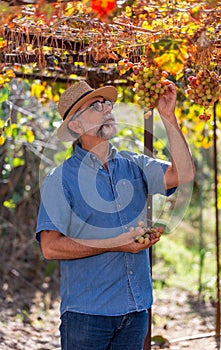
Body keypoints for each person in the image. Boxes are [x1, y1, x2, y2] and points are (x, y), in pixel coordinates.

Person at [36, 80, 195, 350]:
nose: (107, 109)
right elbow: (50, 247)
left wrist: (168, 117)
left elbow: (183, 174)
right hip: (87, 315)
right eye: (96, 106)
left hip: (136, 310)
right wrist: (115, 242)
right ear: (76, 125)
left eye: (107, 103)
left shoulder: (134, 164)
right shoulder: (59, 179)